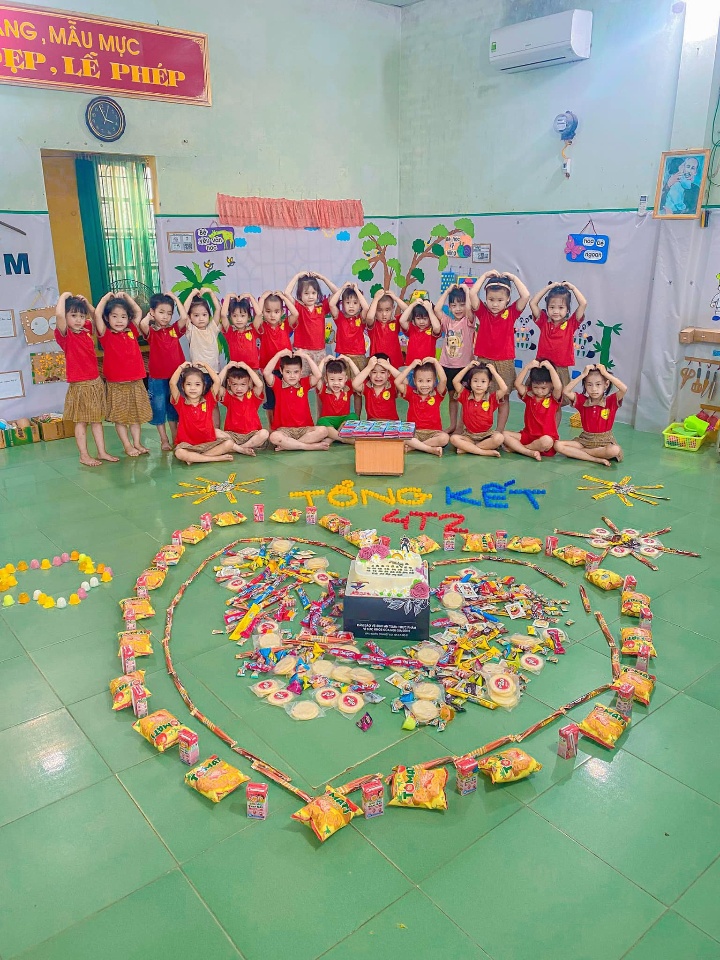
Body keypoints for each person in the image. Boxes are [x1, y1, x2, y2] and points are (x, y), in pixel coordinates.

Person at [54, 292, 118, 467]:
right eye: (73, 315)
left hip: (95, 381)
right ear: (66, 317)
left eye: (81, 316)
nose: (78, 320)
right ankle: (84, 455)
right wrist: (64, 296)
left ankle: (102, 452)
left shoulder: (86, 329)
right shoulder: (65, 334)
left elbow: (97, 316)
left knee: (97, 420)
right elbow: (59, 315)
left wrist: (88, 304)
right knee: (81, 421)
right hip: (80, 384)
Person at [469, 269, 530, 433]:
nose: (495, 304)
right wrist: (484, 276)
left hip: (505, 362)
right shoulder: (482, 312)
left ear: (508, 299)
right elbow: (472, 293)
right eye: (491, 299)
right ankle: (481, 429)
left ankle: (499, 431)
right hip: (484, 360)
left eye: (500, 300)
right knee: (481, 396)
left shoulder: (511, 313)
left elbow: (525, 296)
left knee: (503, 398)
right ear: (486, 298)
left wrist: (514, 278)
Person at [95, 292, 152, 457]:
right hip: (117, 384)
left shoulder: (132, 330)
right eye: (114, 316)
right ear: (107, 318)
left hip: (136, 381)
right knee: (120, 418)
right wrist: (105, 298)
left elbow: (138, 311)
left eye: (123, 316)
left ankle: (137, 443)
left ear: (128, 318)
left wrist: (127, 297)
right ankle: (127, 445)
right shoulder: (105, 334)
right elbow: (97, 314)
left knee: (136, 416)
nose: (119, 320)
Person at [530, 280, 586, 426]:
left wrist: (573, 288)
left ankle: (552, 432)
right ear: (547, 308)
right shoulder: (543, 321)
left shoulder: (571, 324)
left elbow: (583, 304)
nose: (556, 311)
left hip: (560, 370)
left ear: (567, 309)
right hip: (542, 368)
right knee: (537, 400)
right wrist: (549, 287)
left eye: (561, 308)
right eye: (552, 307)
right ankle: (536, 429)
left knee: (556, 404)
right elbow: (533, 303)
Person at [138, 292, 187, 451]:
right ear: (152, 312)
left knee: (174, 408)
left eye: (169, 313)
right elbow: (143, 324)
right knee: (159, 408)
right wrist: (149, 316)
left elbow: (184, 317)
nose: (165, 316)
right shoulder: (152, 332)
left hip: (176, 378)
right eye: (161, 312)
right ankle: (164, 439)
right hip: (157, 378)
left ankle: (175, 437)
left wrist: (175, 299)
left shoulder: (174, 330)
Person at [555, 363, 627, 465]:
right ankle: (596, 459)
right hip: (585, 440)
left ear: (606, 385)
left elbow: (624, 389)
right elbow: (566, 391)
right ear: (585, 385)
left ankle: (579, 453)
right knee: (557, 445)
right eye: (589, 384)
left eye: (598, 384)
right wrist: (583, 375)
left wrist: (605, 373)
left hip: (605, 441)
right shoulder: (582, 401)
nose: (594, 389)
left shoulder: (610, 401)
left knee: (614, 450)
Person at [264, 349, 330, 452]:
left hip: (305, 429)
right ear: (281, 371)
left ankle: (289, 445)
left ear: (301, 372)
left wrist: (306, 357)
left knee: (324, 430)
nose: (292, 375)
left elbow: (318, 375)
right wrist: (278, 354)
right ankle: (308, 446)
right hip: (284, 430)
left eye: (296, 372)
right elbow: (266, 372)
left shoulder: (304, 383)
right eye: (288, 372)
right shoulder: (277, 384)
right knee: (274, 437)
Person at [169, 361, 234, 463]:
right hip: (188, 446)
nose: (193, 388)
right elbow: (172, 383)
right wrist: (181, 367)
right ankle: (215, 458)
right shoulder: (180, 402)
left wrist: (206, 366)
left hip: (208, 443)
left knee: (229, 443)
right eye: (188, 384)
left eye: (197, 384)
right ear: (183, 387)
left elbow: (217, 381)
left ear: (203, 387)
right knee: (179, 453)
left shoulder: (209, 400)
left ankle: (195, 458)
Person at [254, 290, 298, 430]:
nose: (272, 315)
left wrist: (284, 297)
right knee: (271, 402)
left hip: (286, 370)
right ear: (263, 312)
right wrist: (263, 298)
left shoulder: (285, 325)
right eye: (268, 311)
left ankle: (287, 425)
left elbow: (295, 314)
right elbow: (257, 316)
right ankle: (272, 428)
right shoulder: (262, 327)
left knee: (286, 399)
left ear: (282, 312)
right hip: (269, 371)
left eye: (276, 311)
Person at [435, 283, 475, 434]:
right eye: (454, 305)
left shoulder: (468, 321)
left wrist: (466, 291)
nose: (458, 308)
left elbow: (470, 309)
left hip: (464, 367)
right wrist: (447, 291)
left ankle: (460, 427)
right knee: (452, 397)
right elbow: (437, 309)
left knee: (464, 398)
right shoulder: (447, 322)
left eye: (461, 304)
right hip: (447, 366)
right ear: (450, 307)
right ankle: (452, 425)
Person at [503, 359, 563, 460]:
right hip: (527, 436)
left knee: (547, 441)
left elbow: (559, 387)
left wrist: (551, 368)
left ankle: (521, 449)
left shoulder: (553, 398)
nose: (539, 391)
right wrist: (527, 367)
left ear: (551, 385)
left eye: (543, 388)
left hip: (544, 439)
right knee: (503, 435)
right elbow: (517, 384)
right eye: (535, 387)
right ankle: (528, 452)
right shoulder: (529, 395)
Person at [285, 270, 338, 375]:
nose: (310, 296)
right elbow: (286, 293)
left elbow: (337, 292)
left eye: (313, 293)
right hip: (302, 352)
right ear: (300, 295)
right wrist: (297, 276)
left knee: (320, 380)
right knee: (301, 380)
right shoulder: (299, 307)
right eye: (306, 293)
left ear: (317, 293)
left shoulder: (322, 307)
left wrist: (323, 278)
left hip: (320, 352)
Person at [395, 357, 449, 456]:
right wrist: (411, 366)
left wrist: (435, 362)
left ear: (434, 381)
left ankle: (415, 447)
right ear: (414, 381)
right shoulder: (411, 393)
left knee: (445, 438)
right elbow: (397, 382)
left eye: (428, 381)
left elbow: (444, 379)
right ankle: (430, 449)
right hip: (414, 432)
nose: (424, 385)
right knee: (402, 436)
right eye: (420, 381)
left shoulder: (437, 393)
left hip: (434, 433)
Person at [450, 360, 506, 456]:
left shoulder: (492, 398)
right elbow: (455, 381)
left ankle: (469, 448)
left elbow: (504, 388)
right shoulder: (465, 395)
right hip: (469, 436)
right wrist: (468, 367)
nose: (479, 385)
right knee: (453, 438)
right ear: (470, 382)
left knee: (499, 438)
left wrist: (494, 372)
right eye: (475, 381)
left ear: (489, 383)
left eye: (483, 381)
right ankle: (484, 451)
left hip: (486, 436)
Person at [329, 282, 369, 416]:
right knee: (343, 389)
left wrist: (356, 290)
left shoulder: (360, 318)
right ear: (342, 304)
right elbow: (331, 304)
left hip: (359, 358)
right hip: (342, 358)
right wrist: (342, 288)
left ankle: (357, 418)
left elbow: (367, 307)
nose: (351, 306)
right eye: (347, 302)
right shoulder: (339, 317)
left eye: (355, 303)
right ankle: (343, 416)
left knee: (358, 391)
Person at [219, 362, 269, 456]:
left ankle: (239, 448)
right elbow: (217, 385)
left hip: (252, 435)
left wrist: (247, 368)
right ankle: (241, 448)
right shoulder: (228, 396)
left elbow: (260, 385)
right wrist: (226, 367)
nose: (239, 388)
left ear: (249, 383)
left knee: (264, 433)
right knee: (215, 432)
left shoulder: (253, 395)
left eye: (243, 384)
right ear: (229, 383)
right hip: (233, 435)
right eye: (234, 384)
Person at [316, 355, 360, 442]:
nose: (336, 383)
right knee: (321, 421)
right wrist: (323, 361)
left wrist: (349, 360)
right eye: (332, 379)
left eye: (340, 379)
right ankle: (343, 439)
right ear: (326, 379)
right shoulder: (323, 389)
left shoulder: (348, 388)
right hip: (328, 421)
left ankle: (332, 437)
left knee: (353, 416)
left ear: (345, 379)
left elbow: (359, 377)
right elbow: (316, 376)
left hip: (343, 421)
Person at [183, 288, 223, 372]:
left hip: (214, 372)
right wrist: (192, 294)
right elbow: (184, 312)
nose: (201, 318)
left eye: (204, 315)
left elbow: (218, 309)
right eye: (196, 315)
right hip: (197, 373)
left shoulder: (212, 328)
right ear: (190, 317)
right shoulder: (191, 330)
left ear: (209, 315)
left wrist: (211, 292)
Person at [352, 353, 401, 420]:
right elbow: (355, 384)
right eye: (374, 372)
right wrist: (369, 367)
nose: (378, 376)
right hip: (372, 422)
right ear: (369, 373)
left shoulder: (392, 385)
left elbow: (404, 381)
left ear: (389, 373)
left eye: (382, 372)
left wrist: (389, 367)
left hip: (391, 422)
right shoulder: (367, 386)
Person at [365, 289, 405, 369]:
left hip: (396, 364)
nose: (384, 314)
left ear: (393, 308)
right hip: (378, 366)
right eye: (379, 310)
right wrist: (375, 299)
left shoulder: (396, 321)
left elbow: (409, 312)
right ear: (375, 310)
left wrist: (396, 298)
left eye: (387, 310)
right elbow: (369, 317)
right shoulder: (374, 324)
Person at [220, 293, 260, 369]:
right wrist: (228, 296)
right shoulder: (230, 331)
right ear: (230, 317)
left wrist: (250, 297)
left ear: (249, 317)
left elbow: (259, 314)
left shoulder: (252, 329)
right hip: (236, 370)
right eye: (235, 316)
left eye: (242, 316)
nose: (239, 319)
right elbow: (223, 315)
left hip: (252, 369)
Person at [399, 298, 442, 366]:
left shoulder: (432, 330)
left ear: (430, 318)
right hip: (411, 366)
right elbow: (402, 321)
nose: (421, 322)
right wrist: (413, 305)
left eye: (425, 318)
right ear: (414, 318)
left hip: (428, 367)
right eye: (418, 318)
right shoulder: (412, 328)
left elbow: (437, 328)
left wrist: (430, 310)